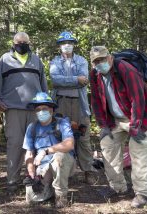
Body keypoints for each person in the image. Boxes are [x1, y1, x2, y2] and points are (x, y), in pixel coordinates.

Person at [89, 46, 147, 208]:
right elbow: (96, 101)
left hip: (141, 116)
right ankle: (118, 187)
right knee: (108, 146)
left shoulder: (126, 70)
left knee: (139, 150)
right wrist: (104, 125)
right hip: (116, 119)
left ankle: (142, 193)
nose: (100, 63)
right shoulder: (94, 74)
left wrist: (135, 127)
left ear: (110, 58)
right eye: (96, 61)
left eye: (103, 59)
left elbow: (138, 99)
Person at [0, 32, 48, 192]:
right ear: (13, 42)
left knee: (34, 144)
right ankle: (12, 180)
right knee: (15, 144)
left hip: (35, 108)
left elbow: (43, 82)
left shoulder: (36, 59)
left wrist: (46, 103)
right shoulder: (4, 59)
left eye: (25, 42)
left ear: (29, 42)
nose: (22, 44)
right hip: (12, 108)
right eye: (19, 42)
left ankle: (32, 176)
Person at [49, 31, 97, 184]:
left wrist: (71, 80)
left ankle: (88, 170)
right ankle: (63, 171)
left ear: (74, 45)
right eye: (64, 43)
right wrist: (76, 79)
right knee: (59, 135)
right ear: (60, 46)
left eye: (70, 42)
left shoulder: (81, 60)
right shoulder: (55, 61)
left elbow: (84, 80)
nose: (67, 45)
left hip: (80, 104)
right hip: (60, 103)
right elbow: (55, 81)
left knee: (83, 137)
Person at [23, 92, 75, 208]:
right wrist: (31, 171)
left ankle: (61, 196)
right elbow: (29, 153)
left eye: (44, 108)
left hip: (63, 162)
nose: (41, 112)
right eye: (38, 109)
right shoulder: (32, 127)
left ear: (51, 110)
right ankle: (50, 187)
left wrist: (45, 151)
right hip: (43, 167)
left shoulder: (62, 123)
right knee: (32, 198)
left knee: (58, 158)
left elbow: (69, 144)